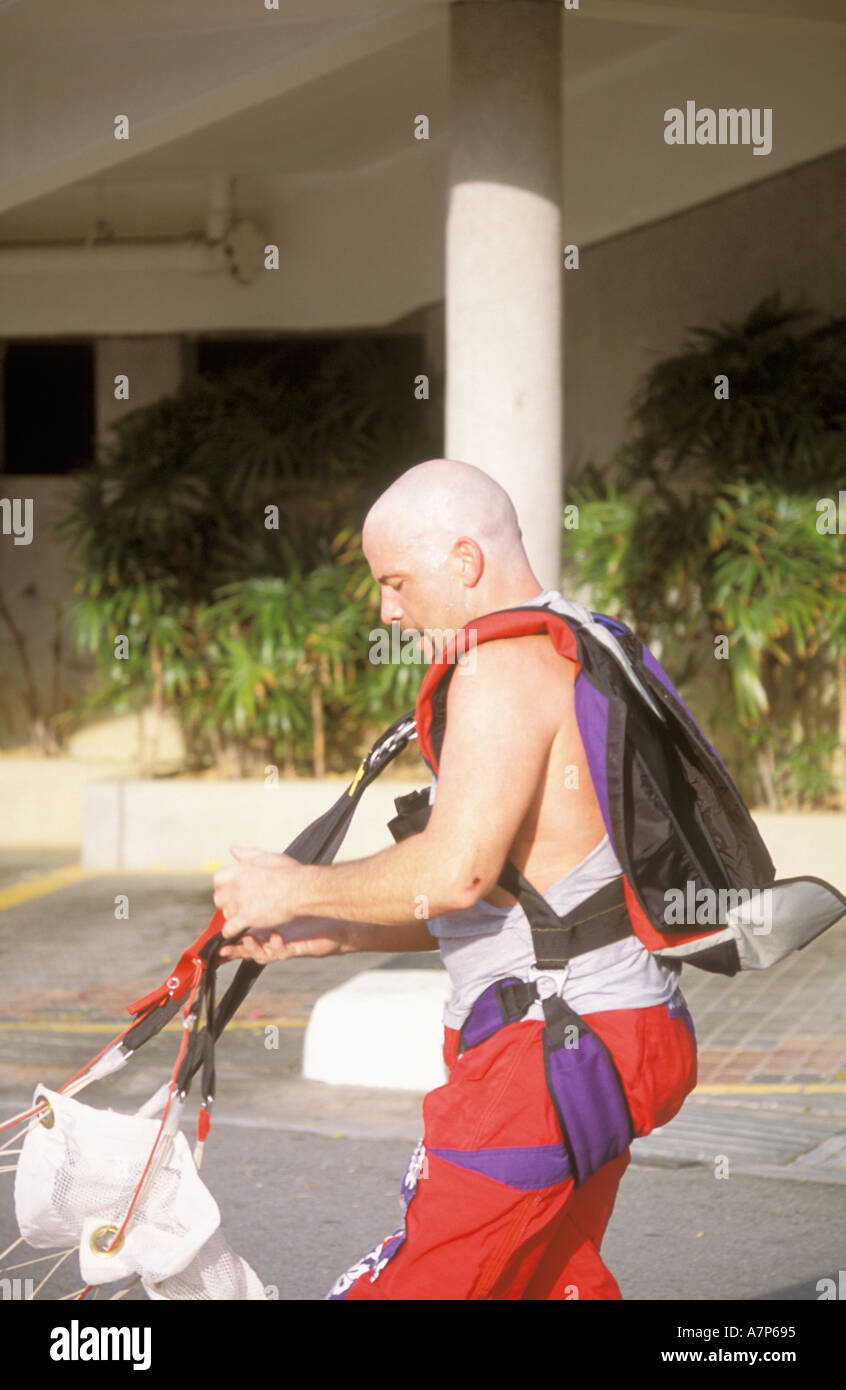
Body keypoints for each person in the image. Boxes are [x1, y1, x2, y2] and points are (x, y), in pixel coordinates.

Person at [212, 458, 697, 1300]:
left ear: (464, 561)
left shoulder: (501, 666)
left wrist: (289, 886)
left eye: (396, 581)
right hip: (615, 1028)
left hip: (545, 1053)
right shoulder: (585, 640)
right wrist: (339, 930)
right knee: (549, 1283)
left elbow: (456, 870)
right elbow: (541, 896)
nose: (386, 609)